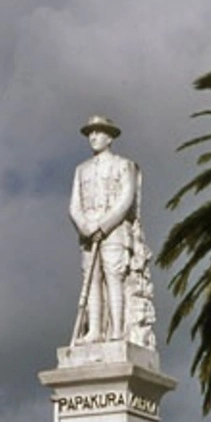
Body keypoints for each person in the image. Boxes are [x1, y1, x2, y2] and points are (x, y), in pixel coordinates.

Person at [69, 115, 139, 343]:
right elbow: (74, 204)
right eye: (90, 133)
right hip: (88, 233)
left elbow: (126, 199)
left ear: (110, 137)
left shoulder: (123, 165)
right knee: (91, 280)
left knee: (113, 276)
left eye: (98, 132)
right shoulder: (81, 169)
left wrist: (103, 225)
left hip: (114, 231)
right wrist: (86, 227)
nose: (93, 137)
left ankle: (118, 330)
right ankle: (95, 330)